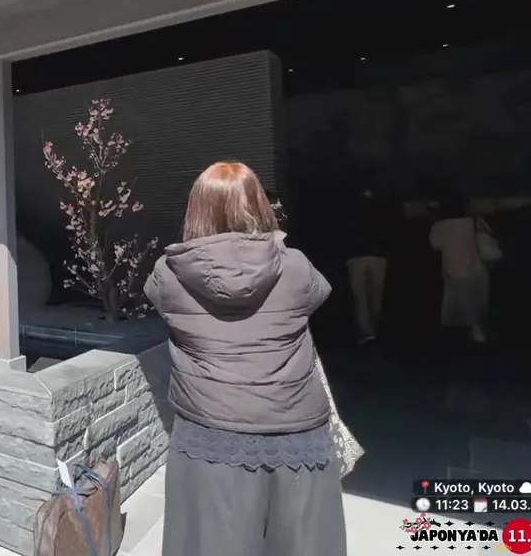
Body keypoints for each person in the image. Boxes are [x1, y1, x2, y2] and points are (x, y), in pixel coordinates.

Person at [145, 161, 346, 556]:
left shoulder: (168, 274)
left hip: (210, 433)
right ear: (259, 205)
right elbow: (317, 295)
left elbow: (157, 298)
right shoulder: (295, 265)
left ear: (196, 210)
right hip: (296, 433)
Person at [429, 200, 489, 343]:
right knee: (475, 310)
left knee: (455, 312)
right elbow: (487, 236)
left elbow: (435, 244)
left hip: (453, 271)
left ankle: (456, 341)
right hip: (476, 269)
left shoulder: (440, 226)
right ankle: (476, 337)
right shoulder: (474, 221)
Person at [346, 188, 391, 344]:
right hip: (377, 256)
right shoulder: (381, 211)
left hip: (356, 257)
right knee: (377, 296)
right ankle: (376, 328)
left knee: (361, 297)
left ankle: (367, 332)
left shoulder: (351, 212)